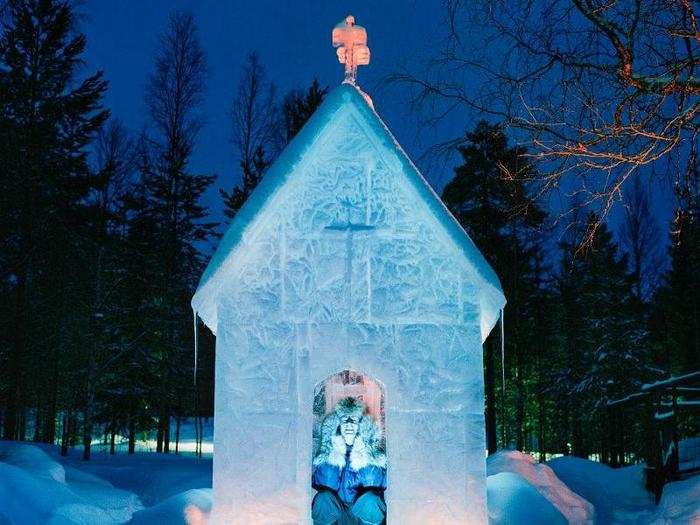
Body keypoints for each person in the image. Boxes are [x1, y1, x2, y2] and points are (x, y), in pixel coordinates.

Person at [312, 397, 387, 525]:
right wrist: (333, 451)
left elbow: (378, 483)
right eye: (344, 420)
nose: (349, 424)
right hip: (336, 510)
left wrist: (364, 451)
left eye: (353, 421)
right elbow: (322, 484)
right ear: (337, 425)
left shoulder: (370, 450)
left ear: (361, 426)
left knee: (371, 501)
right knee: (323, 499)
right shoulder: (329, 449)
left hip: (363, 513)